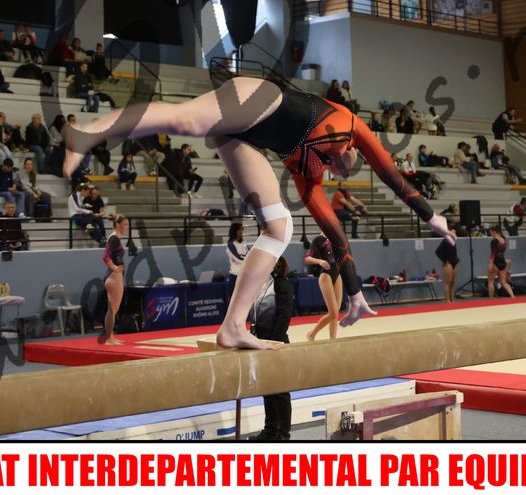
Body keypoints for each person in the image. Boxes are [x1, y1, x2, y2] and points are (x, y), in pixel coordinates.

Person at [59, 75, 454, 349]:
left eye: (338, 169)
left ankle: (232, 326)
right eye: (344, 161)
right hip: (261, 99)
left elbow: (337, 237)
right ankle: (89, 132)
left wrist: (355, 295)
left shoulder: (308, 178)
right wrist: (432, 217)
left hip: (243, 135)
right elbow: (391, 174)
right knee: (187, 120)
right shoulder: (352, 126)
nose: (342, 167)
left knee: (279, 227)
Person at [251, 256, 295, 441]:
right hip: (260, 342)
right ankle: (270, 430)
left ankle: (282, 433)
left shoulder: (282, 284)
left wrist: (274, 342)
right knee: (267, 389)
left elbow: (285, 314)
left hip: (276, 343)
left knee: (280, 391)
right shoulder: (261, 285)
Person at [304, 231, 341, 341]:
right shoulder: (318, 240)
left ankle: (332, 340)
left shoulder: (336, 238)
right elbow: (307, 258)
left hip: (338, 274)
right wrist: (320, 261)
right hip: (326, 275)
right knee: (333, 312)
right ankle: (312, 334)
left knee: (336, 313)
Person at [99, 215, 129, 345]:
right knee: (112, 309)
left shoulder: (114, 238)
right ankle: (109, 339)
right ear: (117, 224)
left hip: (112, 276)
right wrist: (115, 268)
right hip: (114, 277)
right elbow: (105, 257)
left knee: (113, 309)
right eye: (125, 224)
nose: (127, 227)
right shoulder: (114, 238)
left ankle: (110, 336)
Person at [487, 225, 515, 298]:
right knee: (504, 282)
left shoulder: (494, 241)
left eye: (491, 232)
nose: (490, 233)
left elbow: (493, 254)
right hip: (502, 262)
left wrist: (490, 264)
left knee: (490, 282)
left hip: (495, 263)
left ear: (494, 232)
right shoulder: (503, 239)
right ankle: (513, 296)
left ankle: (491, 300)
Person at [435, 231, 459, 305]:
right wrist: (445, 260)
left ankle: (452, 299)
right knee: (448, 282)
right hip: (448, 263)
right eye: (453, 233)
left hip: (454, 262)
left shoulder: (454, 241)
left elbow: (454, 252)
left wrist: (457, 260)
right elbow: (437, 252)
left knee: (453, 282)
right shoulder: (445, 241)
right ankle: (447, 299)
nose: (454, 234)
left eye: (455, 233)